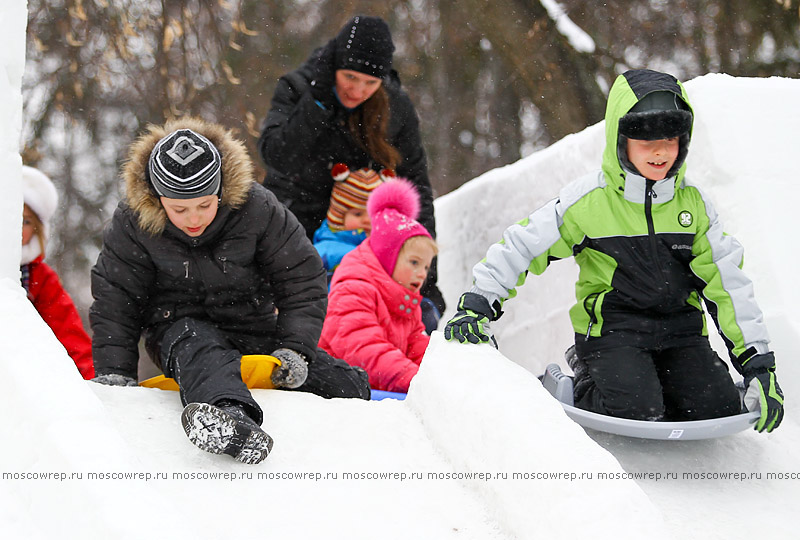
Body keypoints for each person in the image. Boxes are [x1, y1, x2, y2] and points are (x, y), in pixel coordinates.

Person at [444, 69, 784, 433]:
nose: (661, 152)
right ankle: (583, 380)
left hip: (681, 333)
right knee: (636, 410)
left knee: (716, 408)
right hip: (612, 332)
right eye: (646, 141)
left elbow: (727, 283)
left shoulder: (694, 208)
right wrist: (479, 302)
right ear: (621, 140)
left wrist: (757, 366)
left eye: (670, 139)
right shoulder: (590, 202)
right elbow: (524, 245)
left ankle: (671, 385)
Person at [90, 118, 370, 465]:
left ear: (221, 191)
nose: (194, 218)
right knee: (200, 350)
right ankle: (229, 415)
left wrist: (295, 348)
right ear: (157, 199)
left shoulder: (256, 208)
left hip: (251, 324)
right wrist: (115, 372)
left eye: (205, 205)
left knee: (345, 385)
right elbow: (116, 300)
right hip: (179, 329)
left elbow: (301, 276)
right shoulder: (132, 224)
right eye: (179, 209)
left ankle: (363, 400)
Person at [257, 14, 445, 331]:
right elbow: (276, 155)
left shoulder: (395, 106)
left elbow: (417, 188)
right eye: (350, 77)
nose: (358, 90)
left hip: (357, 234)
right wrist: (317, 104)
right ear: (335, 67)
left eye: (370, 82)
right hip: (294, 224)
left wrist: (425, 275)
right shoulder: (298, 87)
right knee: (301, 314)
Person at [319, 179, 437, 393]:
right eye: (414, 262)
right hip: (339, 391)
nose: (422, 273)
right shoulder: (354, 287)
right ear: (388, 257)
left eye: (426, 266)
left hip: (377, 387)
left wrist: (443, 372)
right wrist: (418, 382)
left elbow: (416, 345)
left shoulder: (405, 300)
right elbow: (363, 349)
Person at [20, 166, 94, 380]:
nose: (16, 226)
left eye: (26, 221)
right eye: (9, 215)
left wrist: (92, 383)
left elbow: (69, 337)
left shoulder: (39, 279)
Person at [313, 163, 388, 284]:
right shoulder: (326, 250)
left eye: (373, 214)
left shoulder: (387, 252)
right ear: (338, 216)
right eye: (357, 214)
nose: (367, 220)